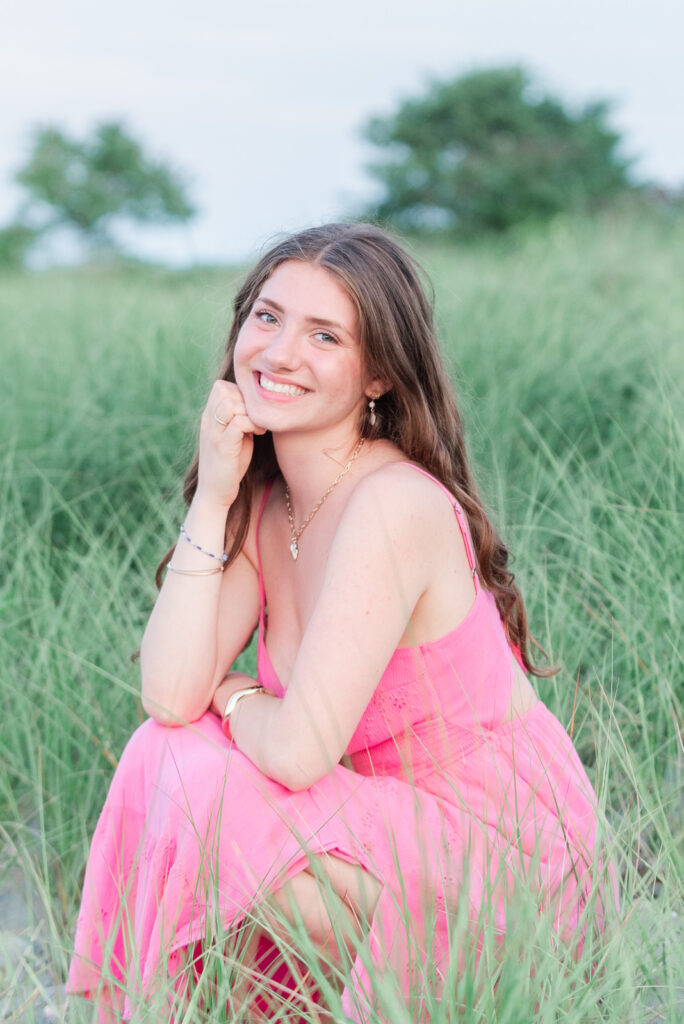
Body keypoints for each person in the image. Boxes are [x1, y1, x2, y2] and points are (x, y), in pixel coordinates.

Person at [67, 223, 614, 1022]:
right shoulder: (267, 502)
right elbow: (168, 696)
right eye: (267, 317)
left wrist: (234, 696)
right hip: (375, 818)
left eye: (324, 335)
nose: (280, 352)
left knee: (200, 778)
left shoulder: (393, 506)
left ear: (380, 377)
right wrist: (216, 494)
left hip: (492, 851)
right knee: (167, 753)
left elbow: (292, 751)